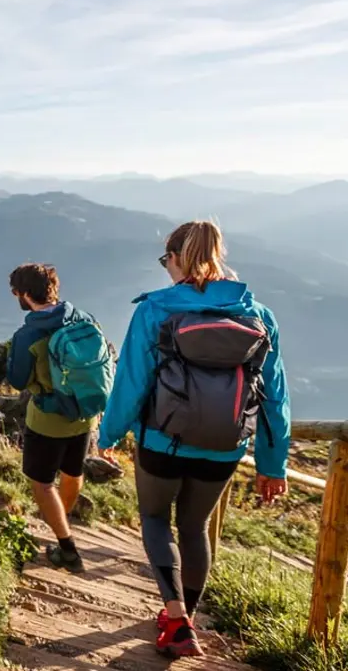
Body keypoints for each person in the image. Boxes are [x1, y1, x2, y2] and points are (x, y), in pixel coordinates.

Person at [98, 221, 290, 659]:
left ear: (176, 258)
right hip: (224, 447)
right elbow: (275, 397)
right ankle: (185, 617)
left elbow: (131, 382)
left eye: (165, 260)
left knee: (154, 518)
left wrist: (108, 434)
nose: (165, 268)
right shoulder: (259, 315)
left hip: (161, 440)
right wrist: (272, 464)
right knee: (194, 526)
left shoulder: (154, 310)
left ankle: (176, 618)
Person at [7, 263, 112, 574]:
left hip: (48, 419)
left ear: (25, 294)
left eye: (16, 293)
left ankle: (67, 549)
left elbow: (18, 380)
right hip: (85, 413)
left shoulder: (28, 335)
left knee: (41, 483)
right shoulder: (84, 318)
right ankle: (60, 520)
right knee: (72, 471)